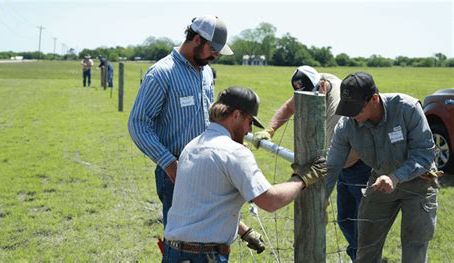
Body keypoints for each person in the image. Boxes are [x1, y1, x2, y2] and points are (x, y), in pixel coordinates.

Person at [128, 15, 265, 253]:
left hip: (208, 168)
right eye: (213, 49)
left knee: (209, 239)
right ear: (197, 39)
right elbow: (138, 124)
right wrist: (169, 164)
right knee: (182, 245)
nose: (215, 56)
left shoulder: (206, 73)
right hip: (176, 174)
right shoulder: (161, 74)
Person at [163, 86, 327, 262]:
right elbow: (270, 201)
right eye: (249, 122)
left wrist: (244, 231)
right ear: (236, 115)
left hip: (174, 252)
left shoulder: (192, 146)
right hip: (204, 256)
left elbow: (203, 204)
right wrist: (303, 178)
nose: (249, 131)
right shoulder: (234, 152)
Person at [251, 65, 371, 260]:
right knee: (345, 219)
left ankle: (365, 257)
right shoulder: (312, 83)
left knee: (363, 221)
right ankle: (357, 255)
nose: (308, 100)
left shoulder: (337, 101)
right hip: (342, 168)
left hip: (359, 167)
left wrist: (321, 194)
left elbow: (333, 152)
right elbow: (290, 107)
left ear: (322, 86)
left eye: (312, 95)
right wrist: (270, 130)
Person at [327, 72, 438, 262]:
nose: (352, 116)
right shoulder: (347, 125)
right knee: (366, 247)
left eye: (357, 110)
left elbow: (425, 152)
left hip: (419, 183)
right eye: (348, 109)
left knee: (414, 249)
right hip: (380, 182)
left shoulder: (407, 108)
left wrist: (395, 177)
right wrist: (320, 200)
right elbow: (332, 166)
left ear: (374, 99)